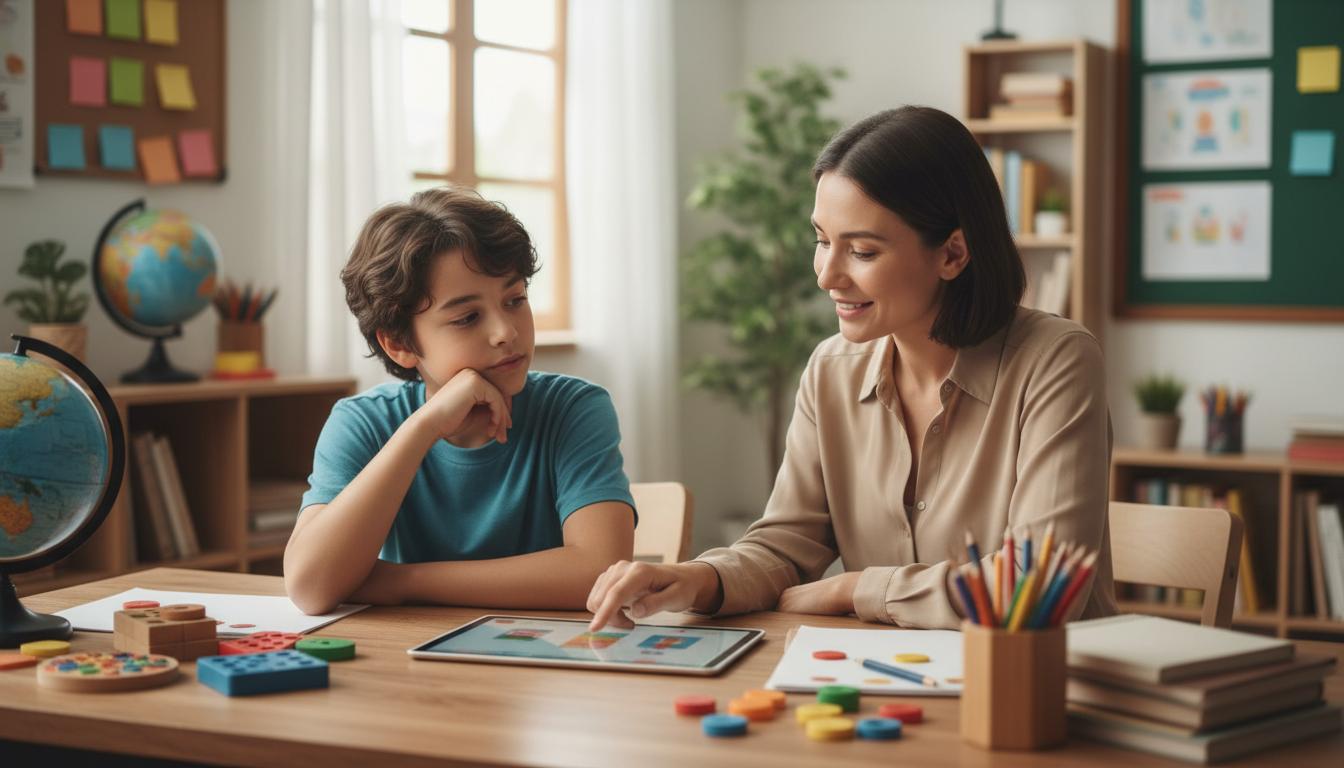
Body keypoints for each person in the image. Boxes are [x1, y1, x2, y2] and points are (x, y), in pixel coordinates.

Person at [587, 106, 1116, 631]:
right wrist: (699, 579)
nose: (826, 276)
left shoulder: (1056, 361)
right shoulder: (830, 371)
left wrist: (853, 587)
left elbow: (1040, 586)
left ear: (953, 254)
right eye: (821, 241)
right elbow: (786, 545)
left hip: (1038, 687)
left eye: (861, 251)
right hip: (888, 682)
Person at [286, 186, 635, 615]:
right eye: (467, 317)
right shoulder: (363, 422)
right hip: (409, 665)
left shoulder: (573, 409)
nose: (505, 331)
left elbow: (598, 572)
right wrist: (423, 427)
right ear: (398, 344)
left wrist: (399, 581)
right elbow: (309, 587)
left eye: (515, 299)